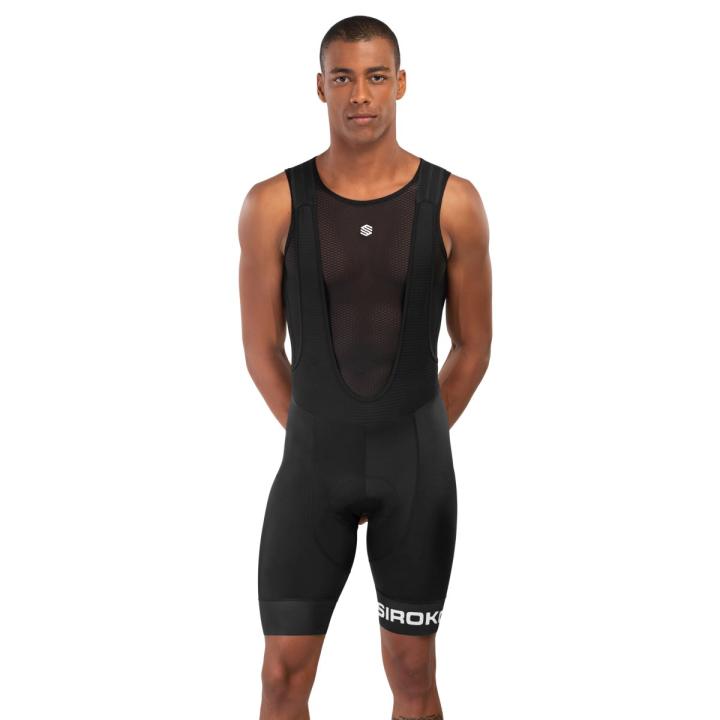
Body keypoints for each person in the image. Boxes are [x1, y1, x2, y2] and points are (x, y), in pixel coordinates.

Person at [238, 15, 491, 719]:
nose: (360, 94)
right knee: (282, 677)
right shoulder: (272, 204)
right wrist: (324, 429)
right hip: (312, 468)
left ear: (400, 84)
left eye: (376, 76)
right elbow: (261, 350)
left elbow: (473, 348)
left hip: (417, 472)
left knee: (412, 673)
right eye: (343, 77)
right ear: (320, 87)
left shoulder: (455, 203)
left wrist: (411, 431)